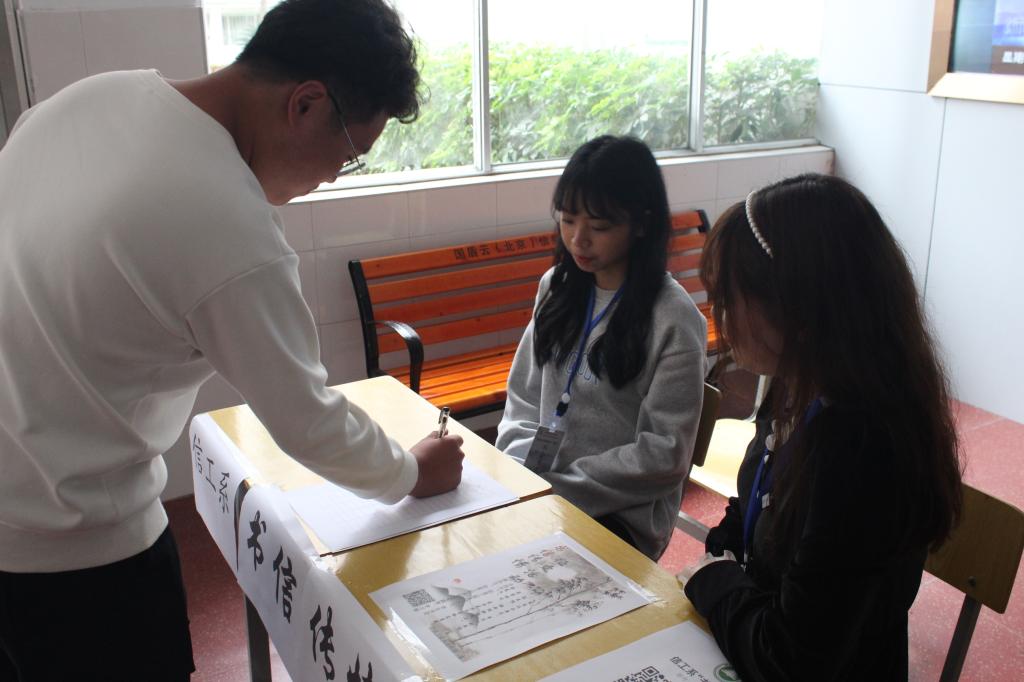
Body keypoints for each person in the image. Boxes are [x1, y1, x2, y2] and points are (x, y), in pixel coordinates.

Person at [0, 1, 465, 679]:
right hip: (81, 561)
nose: (332, 176)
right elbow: (309, 424)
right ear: (306, 103)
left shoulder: (87, 99)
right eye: (348, 154)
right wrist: (413, 471)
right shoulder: (227, 223)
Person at [678, 173, 964, 680]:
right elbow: (758, 496)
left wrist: (714, 582)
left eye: (728, 299)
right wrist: (725, 546)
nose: (720, 318)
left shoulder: (862, 448)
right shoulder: (799, 384)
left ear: (798, 307)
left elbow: (791, 661)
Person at [495, 135, 708, 561]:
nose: (578, 240)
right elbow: (522, 397)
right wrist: (518, 469)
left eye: (600, 226)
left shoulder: (674, 319)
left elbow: (664, 455)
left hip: (620, 515)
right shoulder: (557, 287)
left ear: (641, 224)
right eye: (567, 219)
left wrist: (559, 487)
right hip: (541, 490)